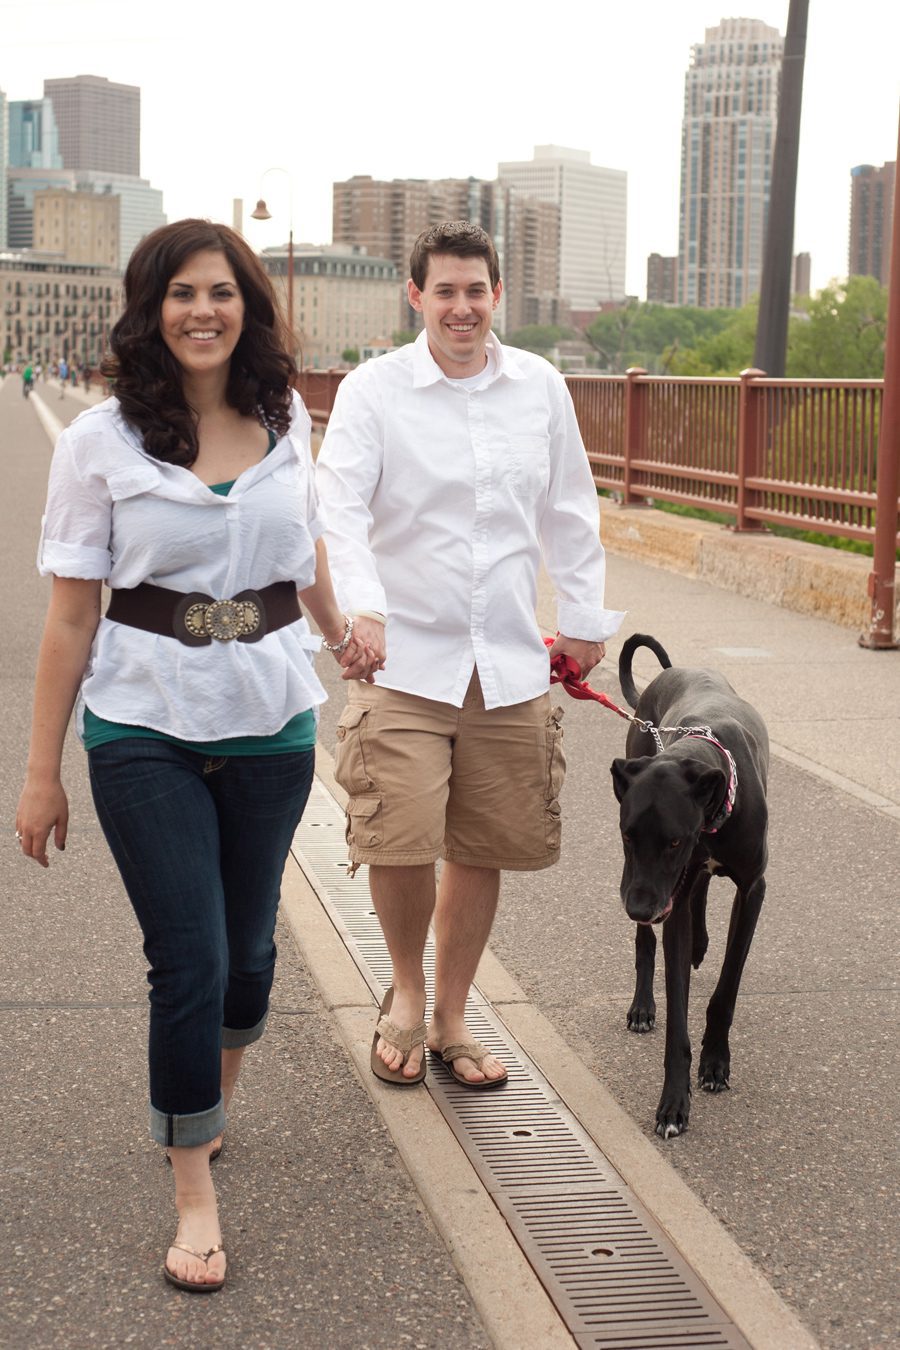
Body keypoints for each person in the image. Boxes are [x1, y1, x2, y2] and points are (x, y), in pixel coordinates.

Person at [15, 219, 378, 1294]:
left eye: (220, 291)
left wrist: (339, 627)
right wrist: (40, 771)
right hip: (143, 723)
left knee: (250, 957)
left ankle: (205, 1104)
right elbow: (71, 617)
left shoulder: (284, 417)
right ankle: (192, 1190)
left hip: (270, 719)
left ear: (247, 307)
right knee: (191, 961)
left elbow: (301, 547)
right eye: (181, 294)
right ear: (152, 310)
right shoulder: (100, 443)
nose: (202, 311)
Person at [316, 220, 624, 1091]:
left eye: (475, 290)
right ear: (416, 295)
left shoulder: (540, 387)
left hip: (508, 663)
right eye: (444, 291)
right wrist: (362, 613)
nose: (461, 307)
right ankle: (406, 994)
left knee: (481, 844)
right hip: (403, 659)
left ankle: (453, 1013)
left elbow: (570, 508)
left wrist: (583, 618)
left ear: (497, 294)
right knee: (400, 837)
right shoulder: (375, 391)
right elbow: (338, 509)